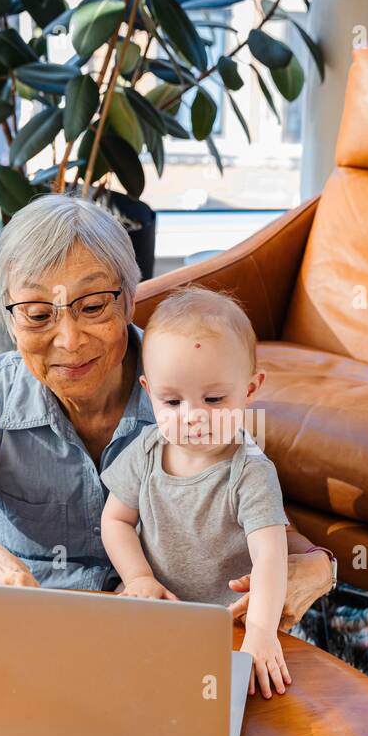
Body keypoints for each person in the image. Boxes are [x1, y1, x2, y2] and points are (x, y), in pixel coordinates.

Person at [0, 194, 336, 632]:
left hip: (166, 625)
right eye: (38, 315)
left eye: (93, 306)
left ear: (129, 301)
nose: (69, 340)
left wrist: (320, 566)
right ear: (8, 319)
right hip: (33, 624)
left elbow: (264, 516)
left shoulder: (186, 391)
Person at [100, 286, 291, 697]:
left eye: (214, 398)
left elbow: (271, 555)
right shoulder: (147, 450)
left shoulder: (250, 472)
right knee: (111, 677)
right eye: (172, 401)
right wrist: (138, 577)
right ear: (149, 393)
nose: (192, 417)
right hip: (157, 609)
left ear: (250, 390)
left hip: (228, 621)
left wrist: (260, 630)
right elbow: (115, 519)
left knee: (233, 699)